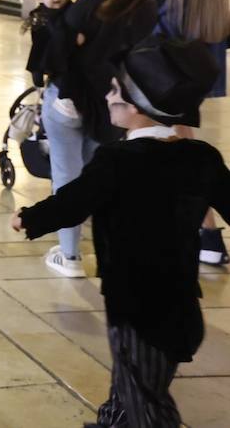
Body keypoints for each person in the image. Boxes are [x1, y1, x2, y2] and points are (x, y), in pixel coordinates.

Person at [13, 45, 228, 428]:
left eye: (115, 91)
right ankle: (112, 420)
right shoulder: (201, 157)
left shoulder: (118, 160)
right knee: (132, 385)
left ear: (137, 107)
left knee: (146, 402)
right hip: (180, 305)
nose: (109, 97)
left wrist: (28, 218)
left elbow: (74, 202)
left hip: (136, 309)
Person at [41, 0, 157, 277]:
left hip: (69, 104)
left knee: (66, 174)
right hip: (115, 107)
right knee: (96, 174)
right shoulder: (148, 12)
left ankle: (70, 255)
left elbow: (53, 58)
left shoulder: (90, 6)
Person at [150, 0, 230, 266]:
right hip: (195, 74)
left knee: (182, 153)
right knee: (179, 147)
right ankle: (201, 231)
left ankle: (209, 233)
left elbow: (147, 27)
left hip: (161, 76)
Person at [24, 0, 71, 89]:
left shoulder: (73, 10)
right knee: (41, 42)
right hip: (46, 49)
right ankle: (38, 71)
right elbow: (37, 44)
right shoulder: (39, 15)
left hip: (67, 53)